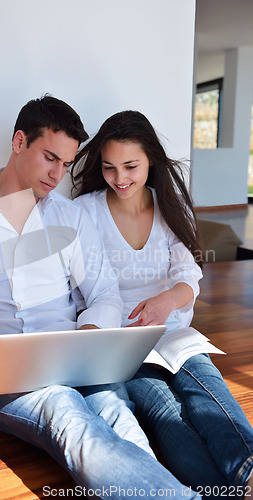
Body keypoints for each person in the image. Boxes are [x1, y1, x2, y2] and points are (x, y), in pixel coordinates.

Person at [0, 96, 201, 499]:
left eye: (66, 165)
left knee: (119, 415)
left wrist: (85, 337)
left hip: (74, 360)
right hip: (0, 371)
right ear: (19, 142)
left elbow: (104, 293)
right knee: (68, 417)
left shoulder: (71, 217)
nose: (57, 175)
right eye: (50, 157)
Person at [71, 110, 253, 499]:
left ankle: (249, 472)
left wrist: (167, 300)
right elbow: (91, 288)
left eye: (131, 166)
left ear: (150, 159)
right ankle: (221, 493)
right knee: (166, 414)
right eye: (109, 168)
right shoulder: (85, 211)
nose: (120, 179)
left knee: (208, 392)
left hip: (173, 332)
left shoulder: (169, 205)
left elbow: (189, 276)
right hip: (121, 341)